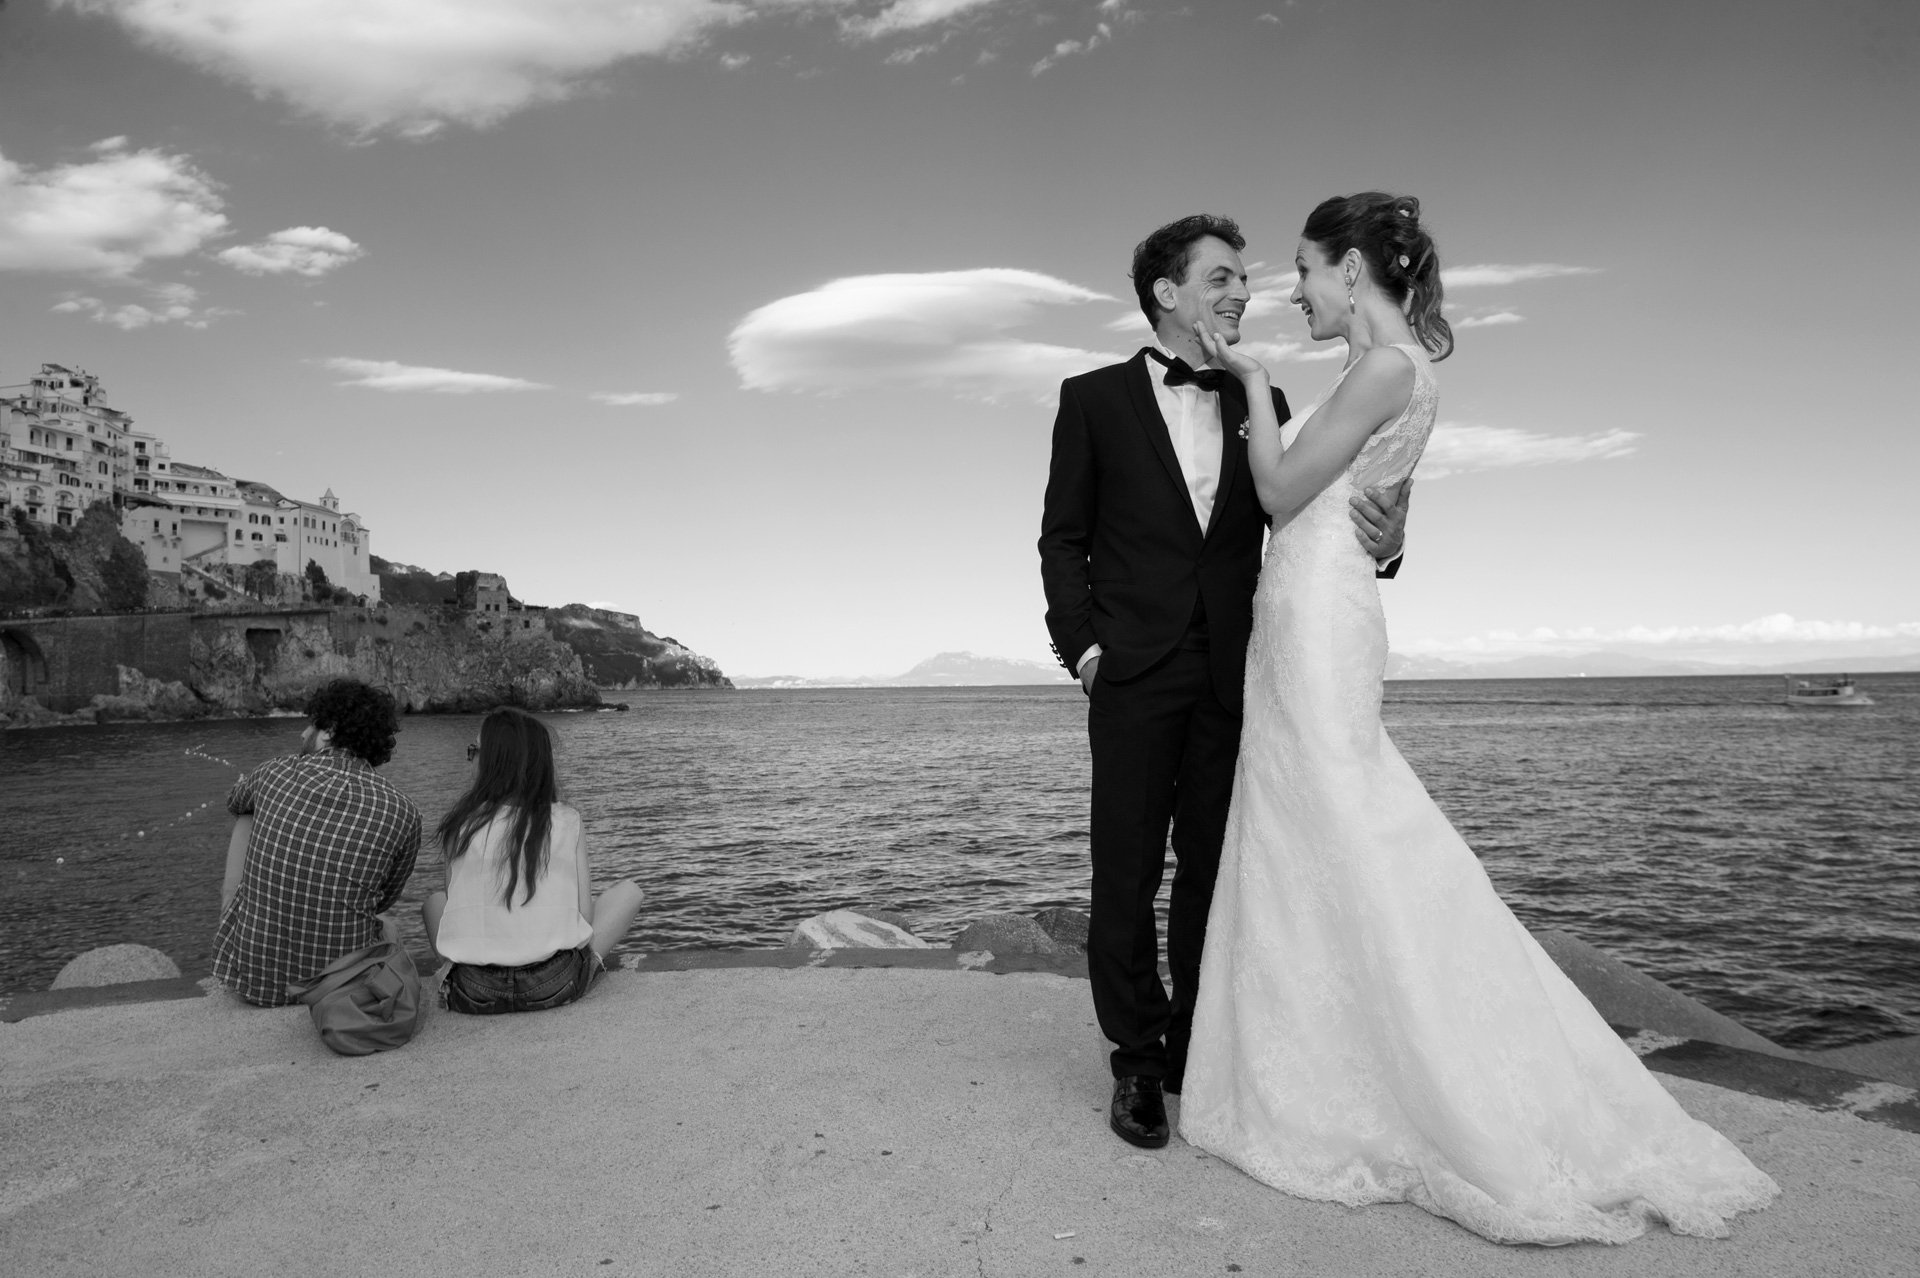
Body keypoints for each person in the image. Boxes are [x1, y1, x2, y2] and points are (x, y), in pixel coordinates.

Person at [1177, 193, 1779, 1244]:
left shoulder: (1382, 368)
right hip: (1307, 613)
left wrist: (1255, 382)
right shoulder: (1390, 370)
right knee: (1313, 832)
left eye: (1306, 270)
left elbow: (1277, 494)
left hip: (1317, 620)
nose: (1295, 291)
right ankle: (1328, 1066)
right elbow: (1360, 501)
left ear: (1351, 268)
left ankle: (1414, 1077)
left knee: (1346, 824)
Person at [1038, 214, 1413, 1149]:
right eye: (1220, 278)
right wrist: (1086, 653)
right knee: (1126, 872)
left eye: (1244, 278)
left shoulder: (1265, 396)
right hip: (1132, 673)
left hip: (1235, 671)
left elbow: (1307, 512)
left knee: (1213, 870)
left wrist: (1392, 541)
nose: (1242, 292)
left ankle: (1192, 1047)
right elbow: (1062, 539)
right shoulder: (1091, 399)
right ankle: (1135, 1062)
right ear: (1166, 293)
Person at [215, 678, 422, 1007]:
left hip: (255, 983)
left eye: (311, 724)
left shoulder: (274, 772)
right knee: (388, 928)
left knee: (247, 814)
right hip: (338, 992)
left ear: (329, 731)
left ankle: (237, 927)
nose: (302, 734)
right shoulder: (403, 811)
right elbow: (382, 899)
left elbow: (234, 803)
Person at [424, 706, 643, 1015]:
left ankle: (452, 976)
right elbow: (584, 916)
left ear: (492, 762)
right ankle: (584, 969)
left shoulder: (460, 825)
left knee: (434, 902)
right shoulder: (566, 820)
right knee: (630, 892)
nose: (470, 759)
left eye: (474, 750)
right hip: (553, 984)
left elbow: (455, 906)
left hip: (473, 991)